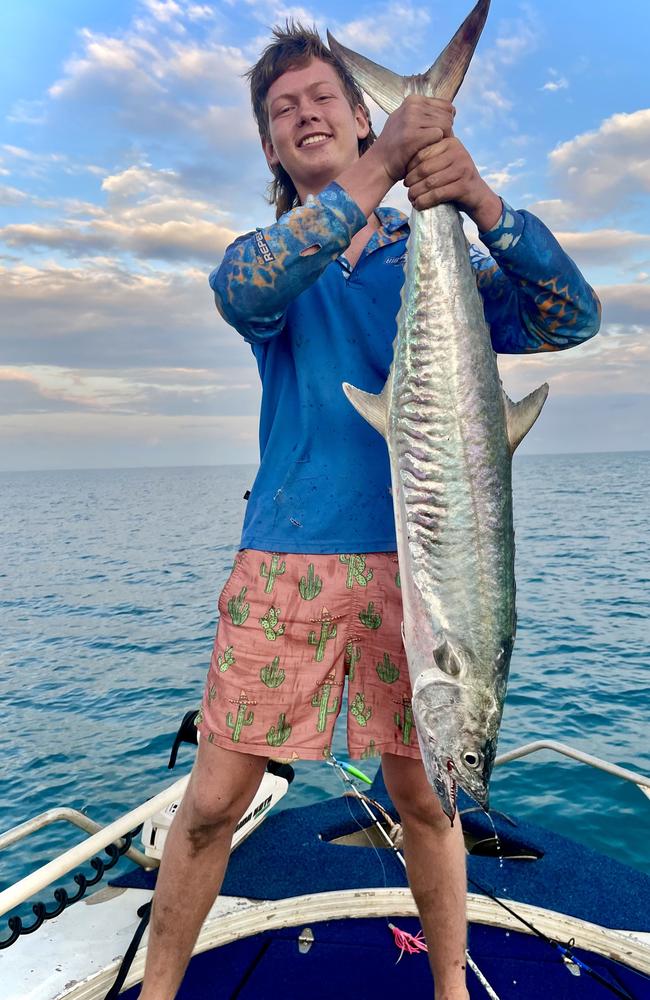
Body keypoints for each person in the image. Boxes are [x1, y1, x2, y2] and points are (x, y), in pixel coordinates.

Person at [139, 24, 600, 1000]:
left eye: (322, 98)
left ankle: (447, 989)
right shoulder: (272, 263)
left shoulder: (428, 262)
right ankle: (161, 988)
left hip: (419, 562)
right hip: (285, 562)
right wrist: (388, 162)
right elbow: (242, 288)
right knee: (214, 801)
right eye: (282, 109)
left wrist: (472, 198)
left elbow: (568, 315)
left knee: (427, 800)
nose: (305, 114)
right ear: (271, 147)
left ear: (357, 112)